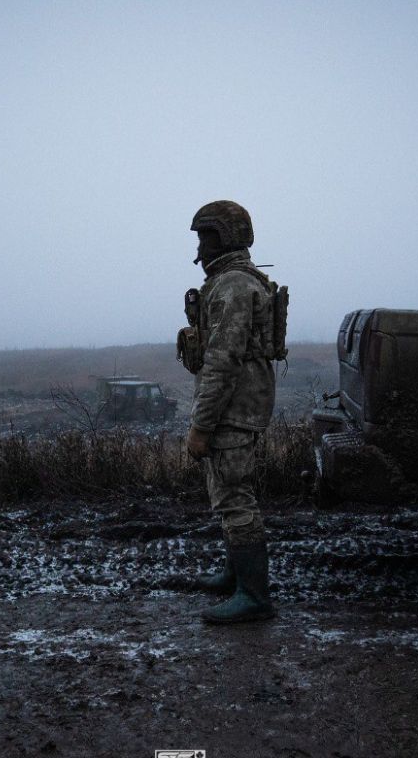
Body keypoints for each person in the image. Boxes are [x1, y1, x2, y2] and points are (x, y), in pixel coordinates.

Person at [178, 200, 287, 624]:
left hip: (233, 407)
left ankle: (254, 596)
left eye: (207, 235)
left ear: (225, 237)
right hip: (239, 403)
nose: (201, 246)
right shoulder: (232, 282)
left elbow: (222, 362)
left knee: (235, 498)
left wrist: (200, 426)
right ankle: (235, 576)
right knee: (226, 494)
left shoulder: (233, 287)